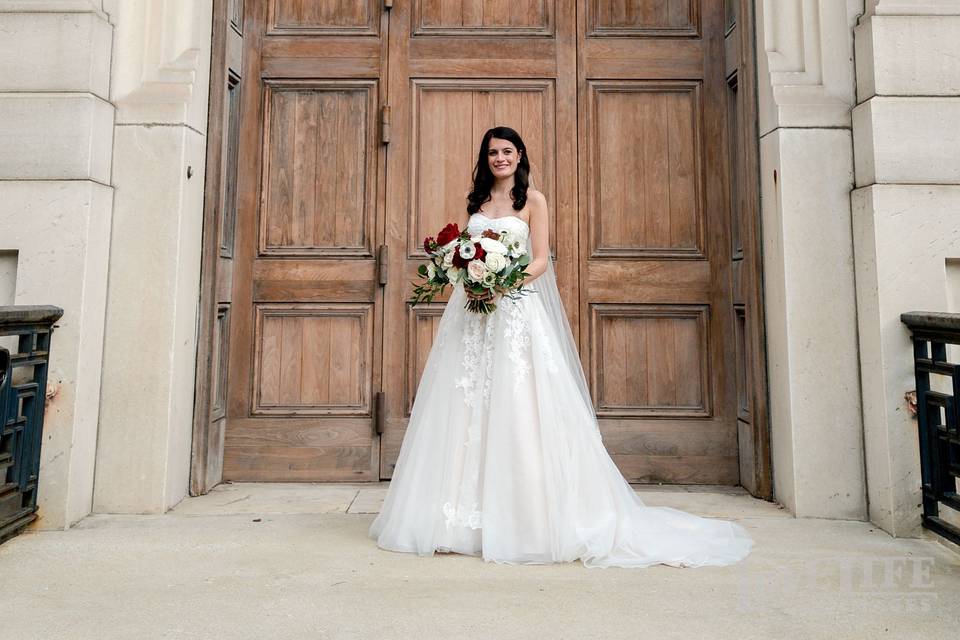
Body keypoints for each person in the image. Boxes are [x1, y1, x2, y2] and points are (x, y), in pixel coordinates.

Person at [368, 126, 754, 568]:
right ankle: (455, 519)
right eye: (492, 152)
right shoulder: (476, 202)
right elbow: (466, 252)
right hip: (472, 317)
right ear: (485, 158)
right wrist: (468, 278)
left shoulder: (533, 200)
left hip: (513, 312)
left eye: (507, 151)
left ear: (519, 155)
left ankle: (528, 519)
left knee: (520, 405)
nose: (500, 159)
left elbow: (540, 260)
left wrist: (500, 284)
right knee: (465, 401)